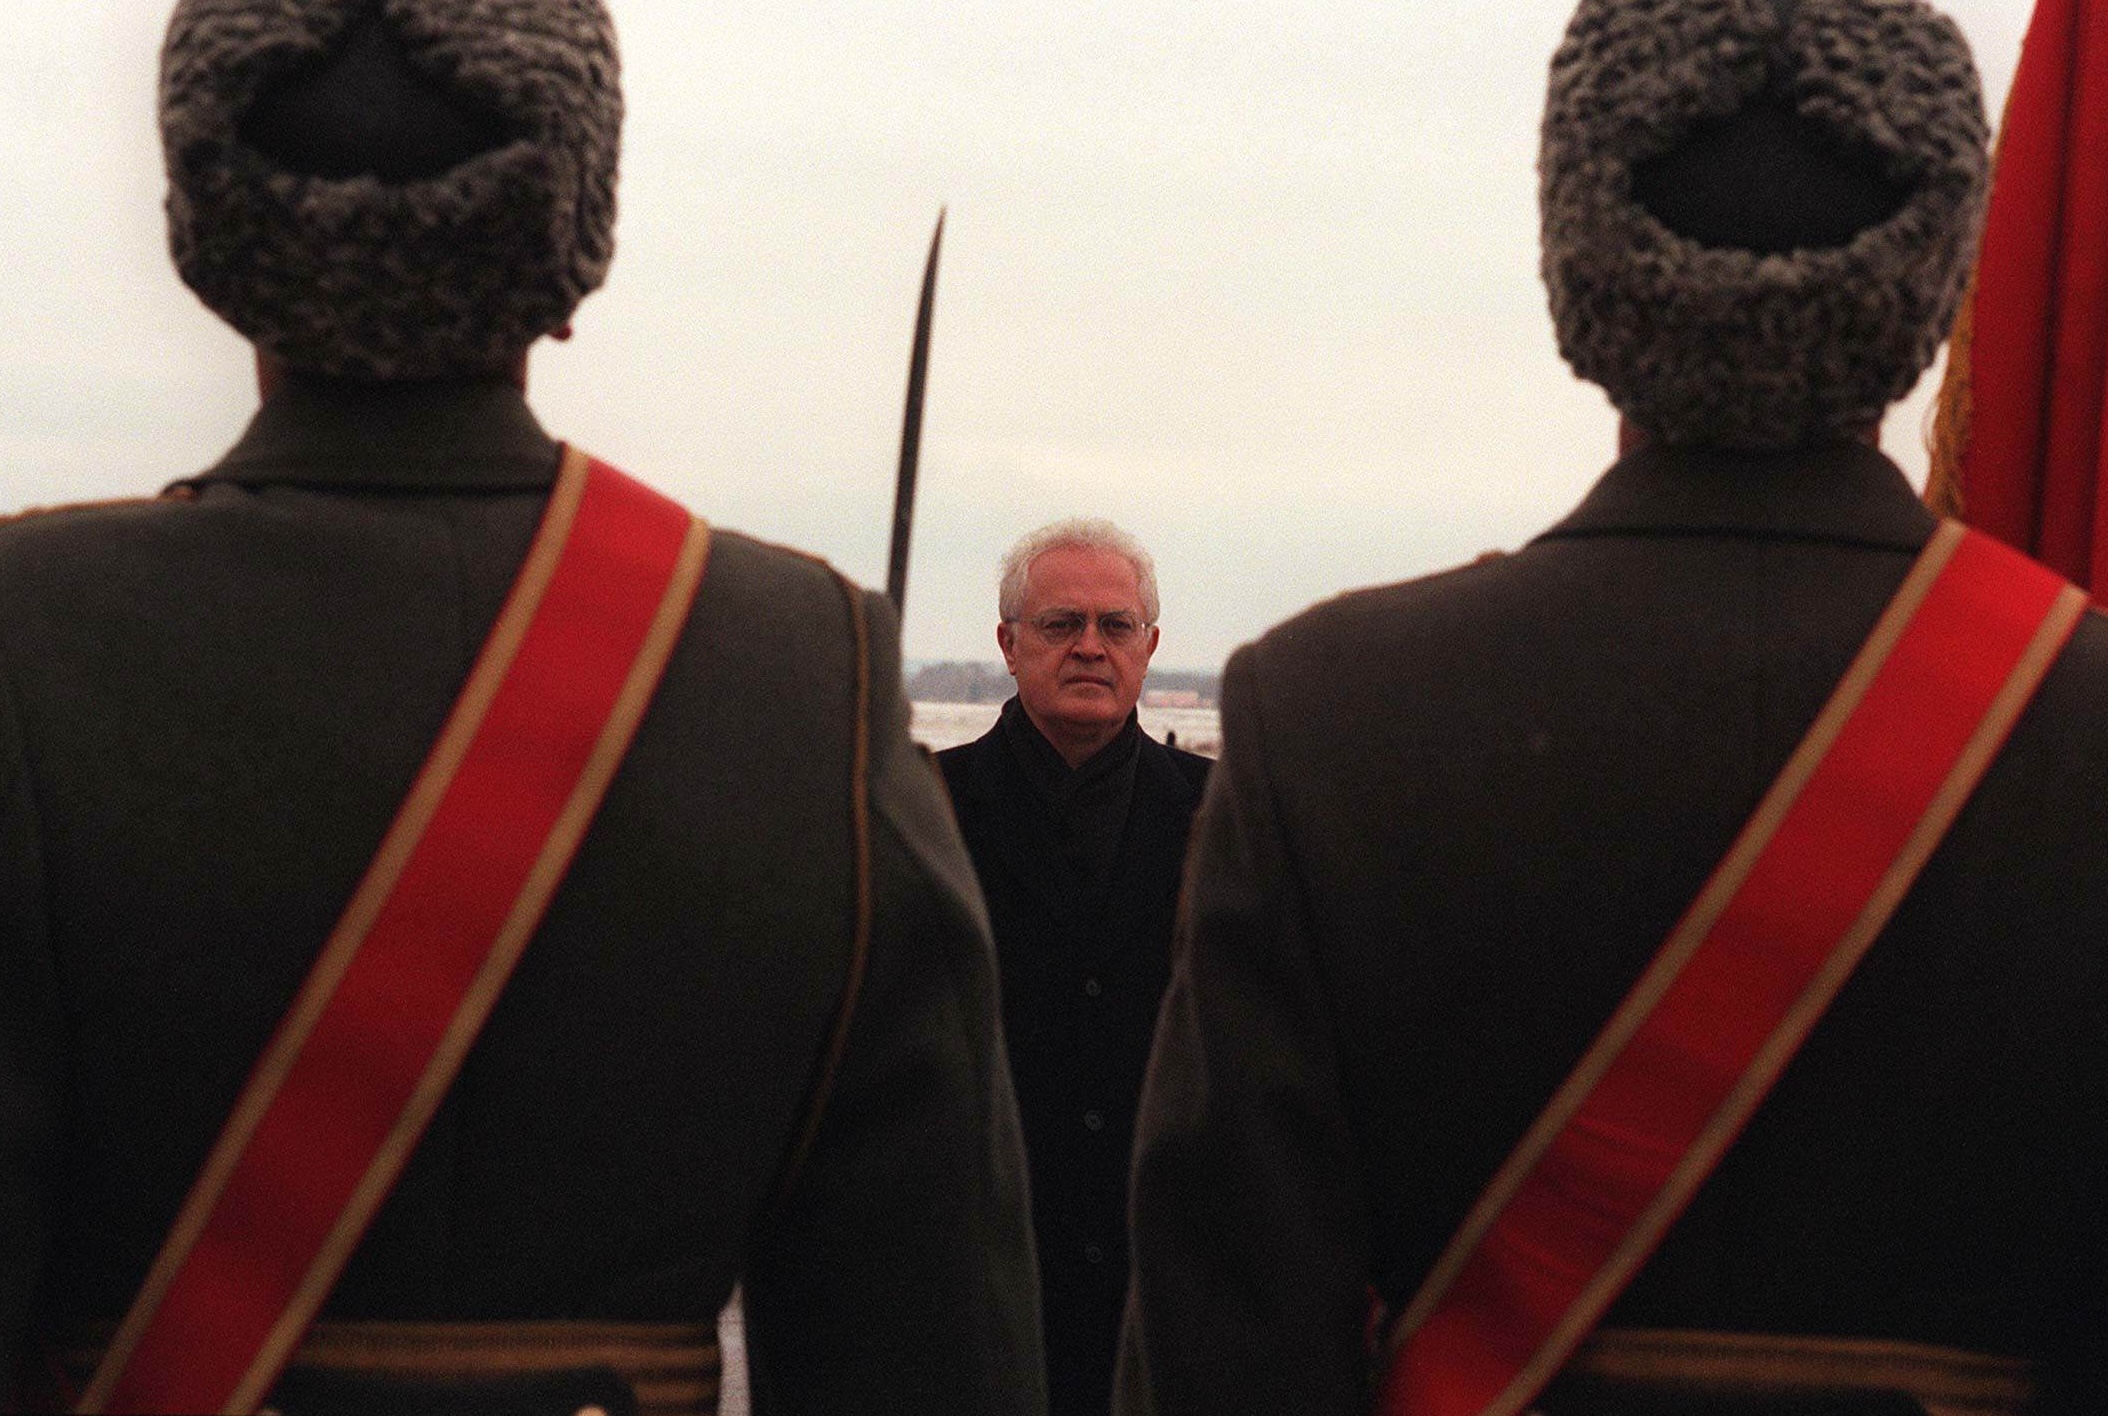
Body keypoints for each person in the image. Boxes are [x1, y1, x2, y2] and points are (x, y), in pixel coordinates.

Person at [0, 3, 1044, 1413]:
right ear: (569, 255)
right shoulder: (811, 672)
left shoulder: (28, 639)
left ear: (214, 248)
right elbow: (928, 1343)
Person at [1118, 1, 2108, 1413]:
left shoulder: (1328, 718)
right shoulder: (2078, 724)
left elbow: (1228, 1341)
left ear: (1580, 256)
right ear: (1932, 263)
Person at [937, 520, 1209, 1416]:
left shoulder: (1224, 821)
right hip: (974, 1291)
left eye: (1116, 625)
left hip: (1163, 1298)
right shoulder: (924, 811)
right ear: (1008, 644)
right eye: (1061, 624)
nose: (1091, 646)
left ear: (1150, 647)